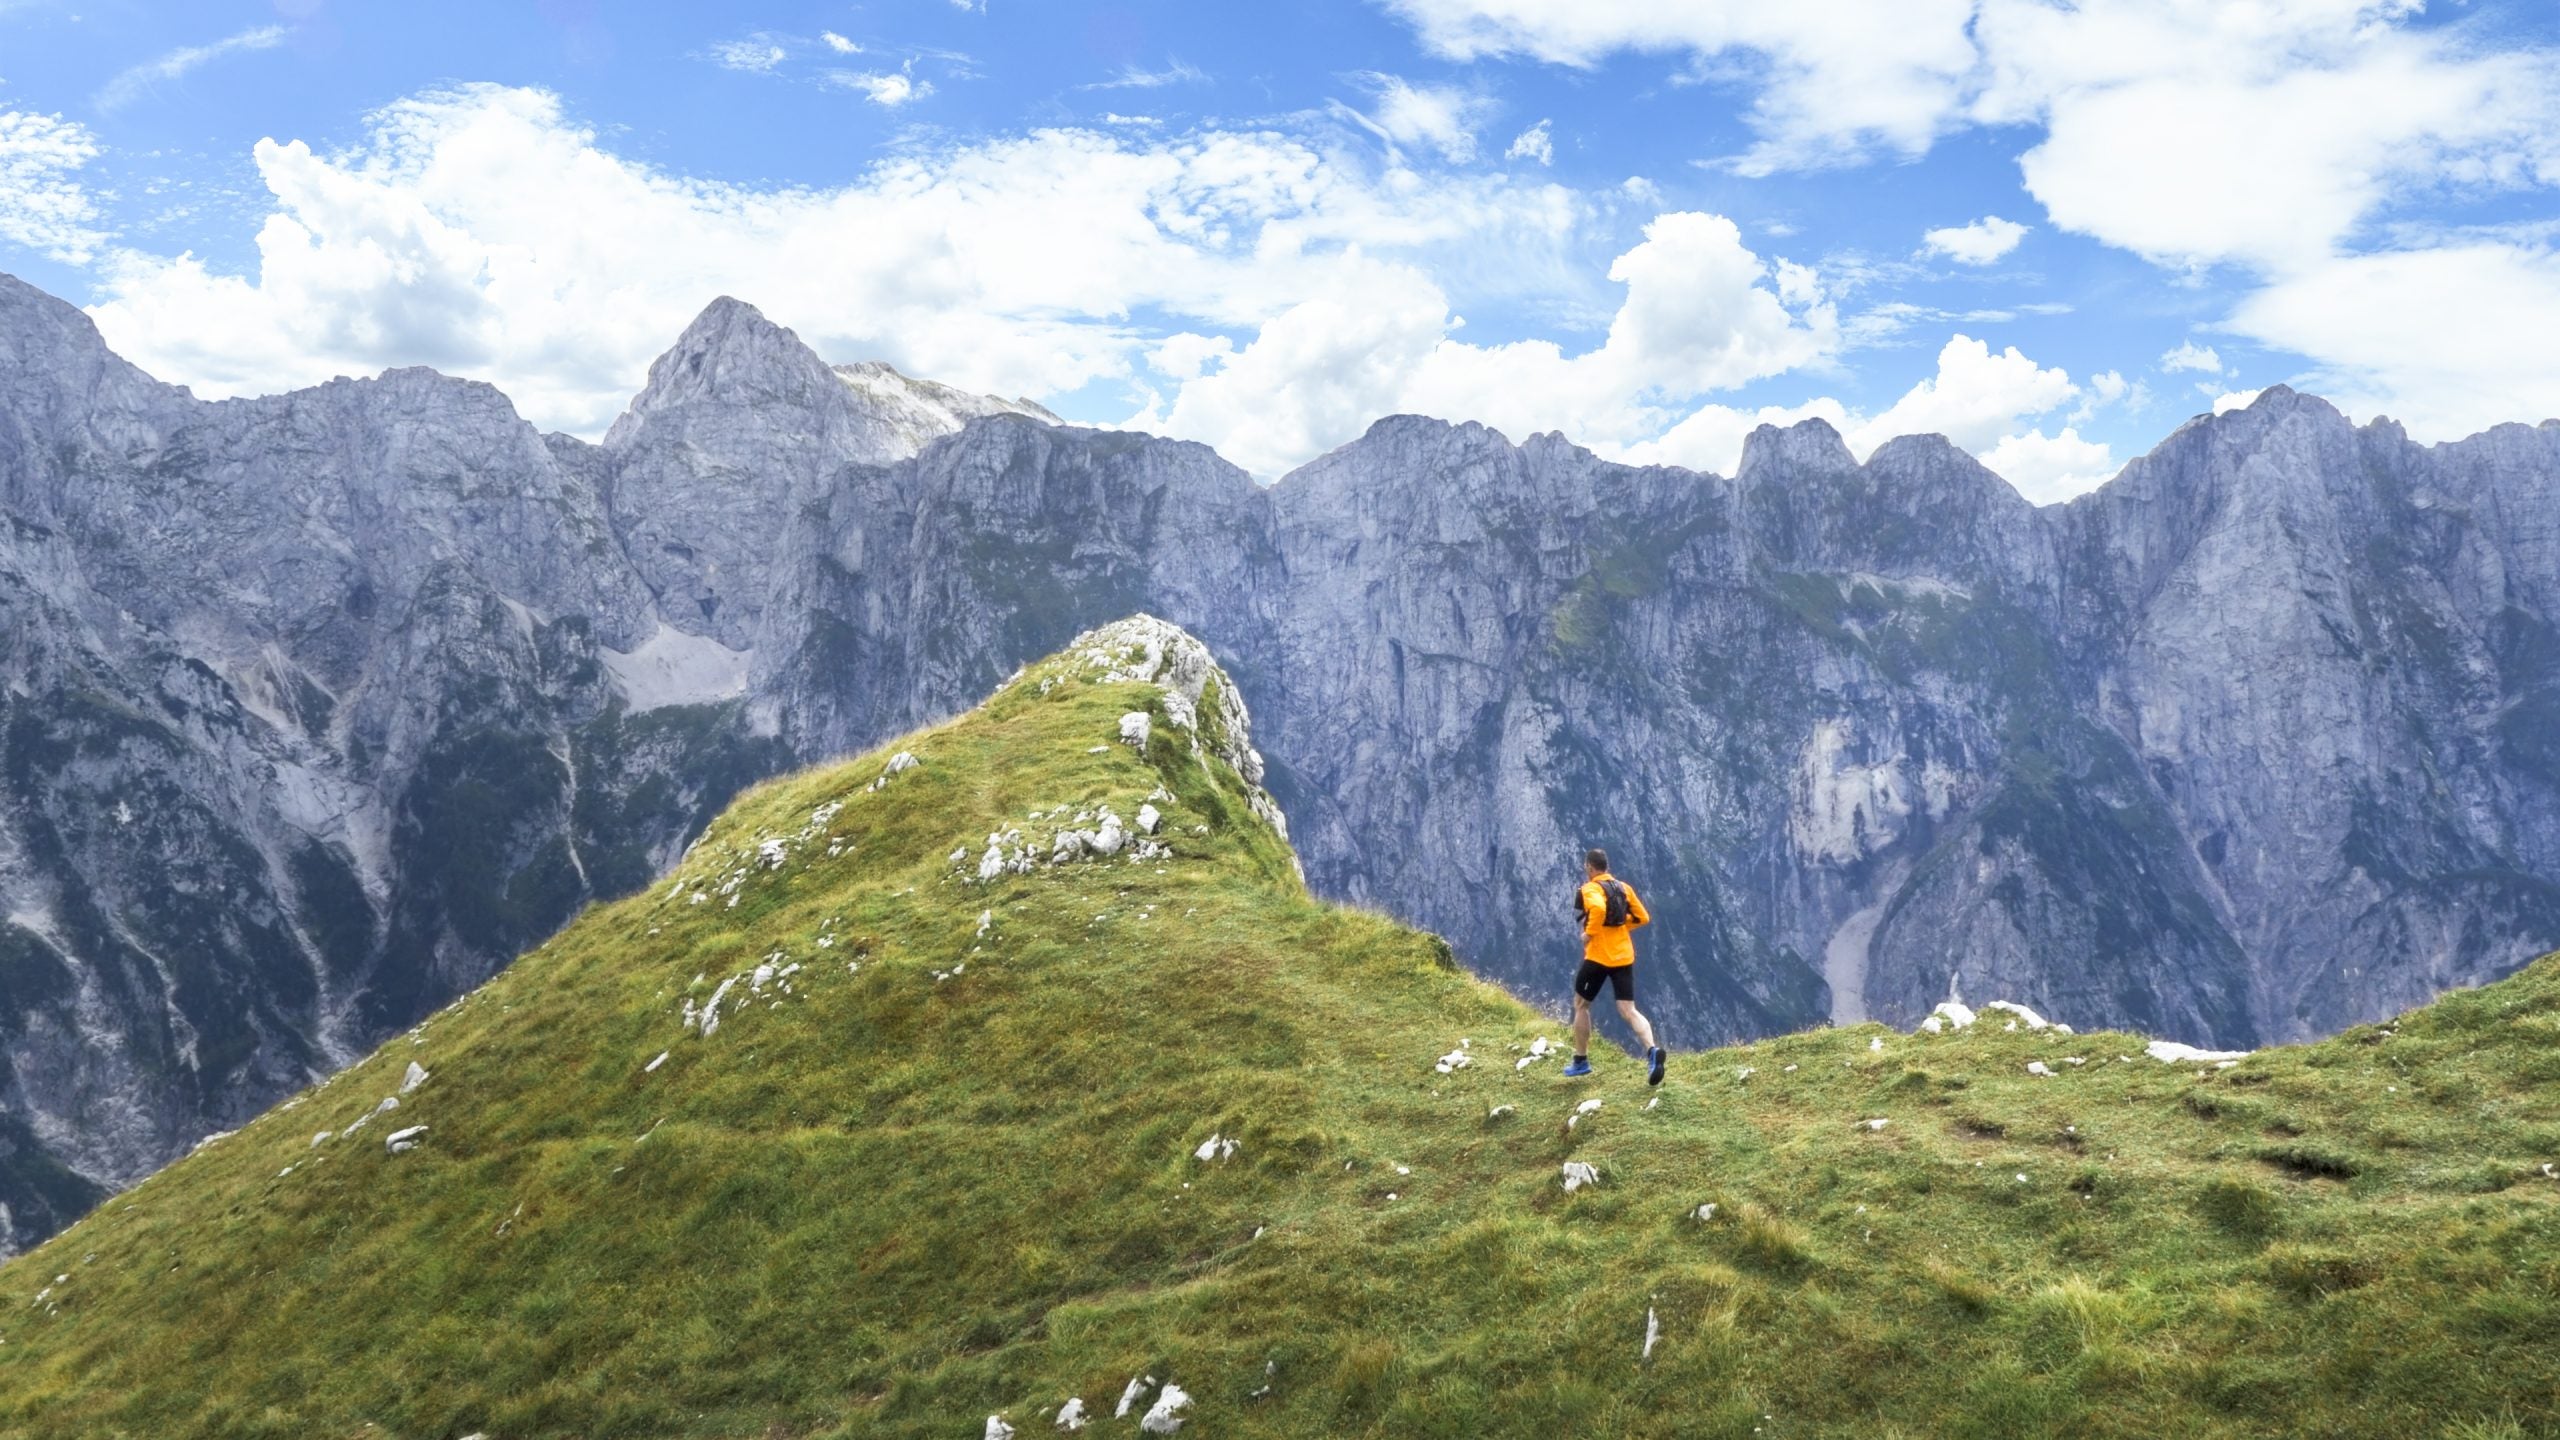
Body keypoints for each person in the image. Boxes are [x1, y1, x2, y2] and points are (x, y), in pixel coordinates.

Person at [1561, 848, 1665, 1085]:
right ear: (1606, 866)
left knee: (1581, 1004)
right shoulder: (1623, 888)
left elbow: (1597, 909)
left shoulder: (1590, 889)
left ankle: (1580, 1061)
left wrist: (1589, 934)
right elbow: (1642, 917)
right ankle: (1652, 1051)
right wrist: (1620, 926)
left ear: (1589, 867)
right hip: (1624, 956)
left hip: (1598, 958)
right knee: (1629, 1009)